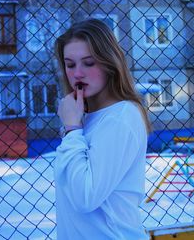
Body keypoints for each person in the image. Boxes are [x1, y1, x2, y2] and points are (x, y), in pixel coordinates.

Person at [54, 18, 150, 240]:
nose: (78, 73)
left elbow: (85, 197)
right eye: (70, 64)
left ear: (109, 63)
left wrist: (72, 129)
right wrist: (75, 127)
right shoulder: (85, 119)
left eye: (89, 63)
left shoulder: (121, 116)